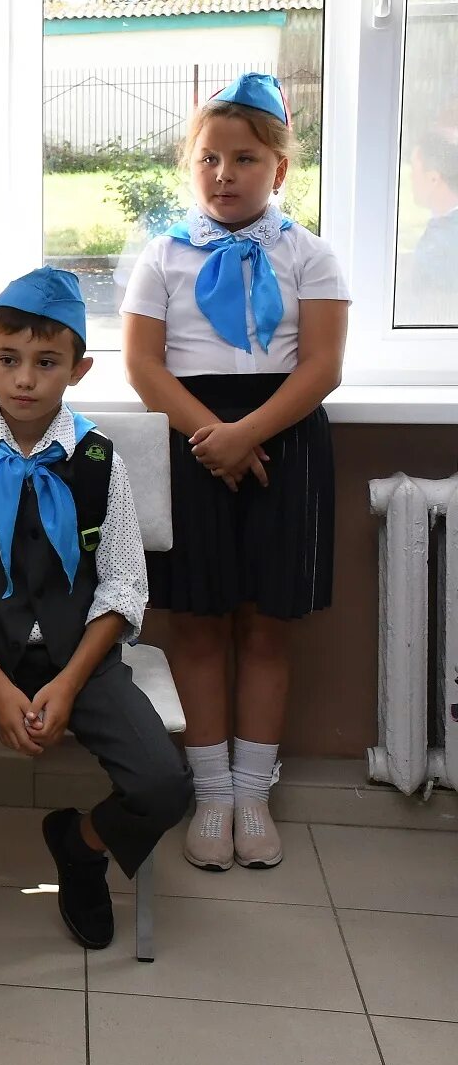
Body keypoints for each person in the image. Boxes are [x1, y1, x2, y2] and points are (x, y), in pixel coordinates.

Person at [0, 267, 189, 1016]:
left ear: (79, 368)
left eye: (46, 362)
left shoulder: (100, 462)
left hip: (81, 657)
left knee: (165, 784)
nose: (25, 379)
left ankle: (83, 845)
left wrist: (66, 685)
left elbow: (124, 586)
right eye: (9, 359)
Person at [121, 73, 350, 872]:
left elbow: (320, 368)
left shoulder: (309, 257)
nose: (224, 174)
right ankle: (210, 793)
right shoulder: (164, 256)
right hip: (190, 444)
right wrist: (211, 437)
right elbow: (145, 367)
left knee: (264, 622)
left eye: (244, 159)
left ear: (279, 170)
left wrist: (245, 435)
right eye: (209, 159)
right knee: (197, 619)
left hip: (280, 443)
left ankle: (254, 794)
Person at [402, 117, 458, 323]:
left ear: (434, 178)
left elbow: (429, 311)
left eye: (415, 169)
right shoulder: (443, 226)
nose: (410, 177)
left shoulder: (440, 245)